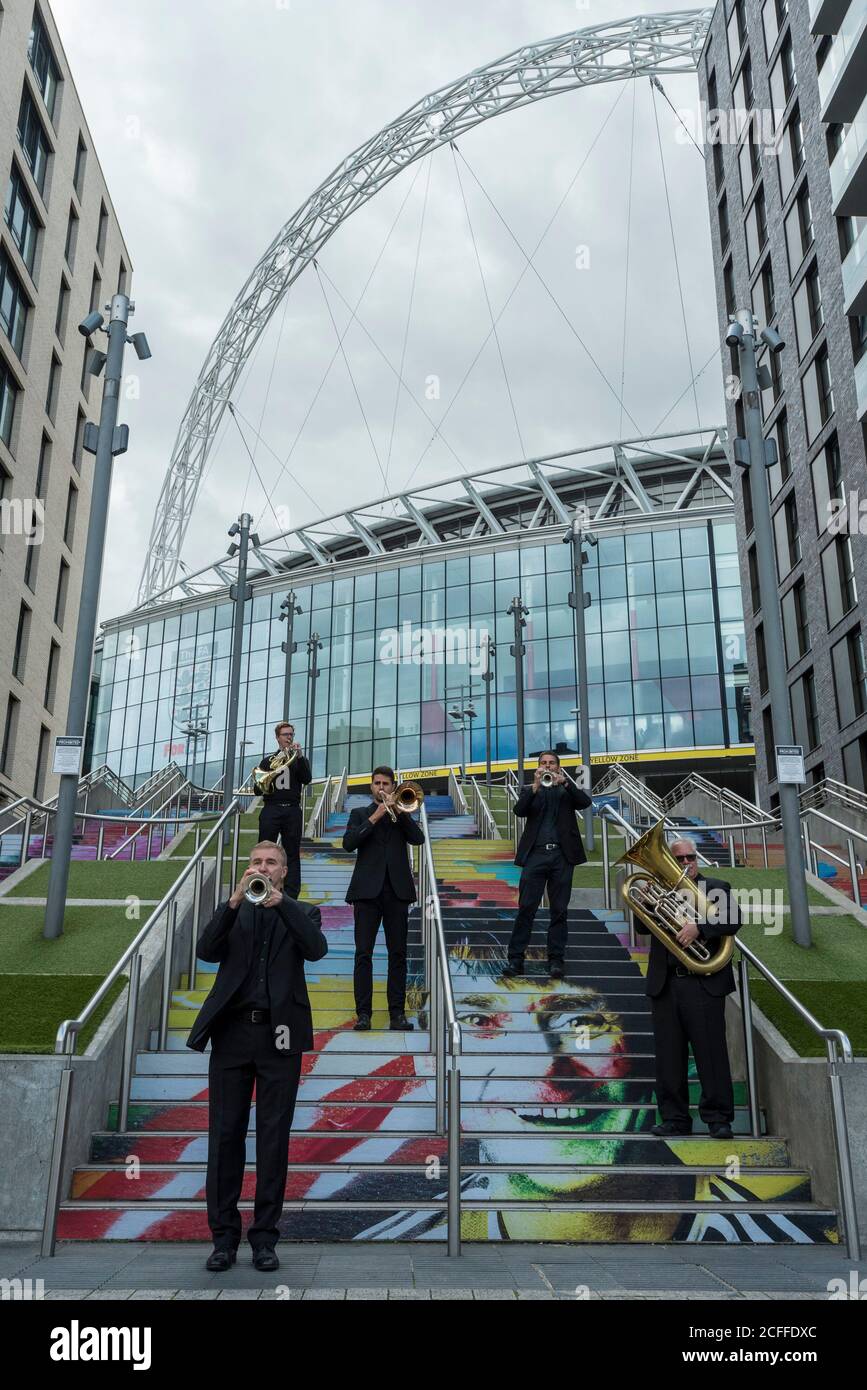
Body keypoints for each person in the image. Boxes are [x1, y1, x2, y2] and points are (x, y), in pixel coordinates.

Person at [187, 839, 328, 1272]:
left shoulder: (303, 912)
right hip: (232, 1035)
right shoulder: (232, 909)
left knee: (273, 1139)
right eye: (256, 862)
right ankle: (223, 1240)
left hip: (280, 1036)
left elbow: (316, 949)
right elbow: (206, 951)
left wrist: (282, 905)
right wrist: (233, 902)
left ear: (283, 871)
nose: (262, 867)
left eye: (270, 863)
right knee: (224, 1137)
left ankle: (265, 1239)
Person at [635, 835, 741, 1141]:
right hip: (666, 984)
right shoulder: (660, 890)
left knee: (711, 1054)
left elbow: (734, 918)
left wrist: (700, 928)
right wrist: (645, 903)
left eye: (689, 858)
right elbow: (642, 927)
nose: (685, 863)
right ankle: (674, 1118)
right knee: (669, 1057)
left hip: (702, 983)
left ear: (697, 859)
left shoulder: (715, 888)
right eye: (678, 858)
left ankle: (718, 1119)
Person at [342, 765, 425, 1032]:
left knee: (398, 955)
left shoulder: (401, 814)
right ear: (371, 786)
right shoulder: (359, 814)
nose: (381, 787)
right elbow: (348, 843)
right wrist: (375, 816)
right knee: (363, 955)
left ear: (393, 787)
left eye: (386, 784)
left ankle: (397, 1014)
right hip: (366, 893)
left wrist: (399, 813)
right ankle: (363, 1014)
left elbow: (419, 839)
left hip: (397, 893)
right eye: (377, 783)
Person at [504, 751, 592, 981]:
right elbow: (519, 811)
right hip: (535, 855)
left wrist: (566, 782)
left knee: (559, 910)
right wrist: (535, 786)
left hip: (562, 856)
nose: (547, 766)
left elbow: (585, 803)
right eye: (543, 763)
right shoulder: (530, 789)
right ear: (538, 767)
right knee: (526, 907)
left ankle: (556, 960)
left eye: (551, 763)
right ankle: (516, 959)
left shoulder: (566, 789)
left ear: (558, 767)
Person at [256, 721, 312, 898]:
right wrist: (268, 777)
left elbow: (306, 779)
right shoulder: (267, 761)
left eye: (291, 734)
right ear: (277, 738)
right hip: (271, 808)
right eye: (285, 734)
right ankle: (261, 887)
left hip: (292, 810)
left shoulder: (299, 760)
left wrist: (300, 756)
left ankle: (291, 894)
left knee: (292, 853)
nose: (289, 737)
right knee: (264, 850)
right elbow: (258, 789)